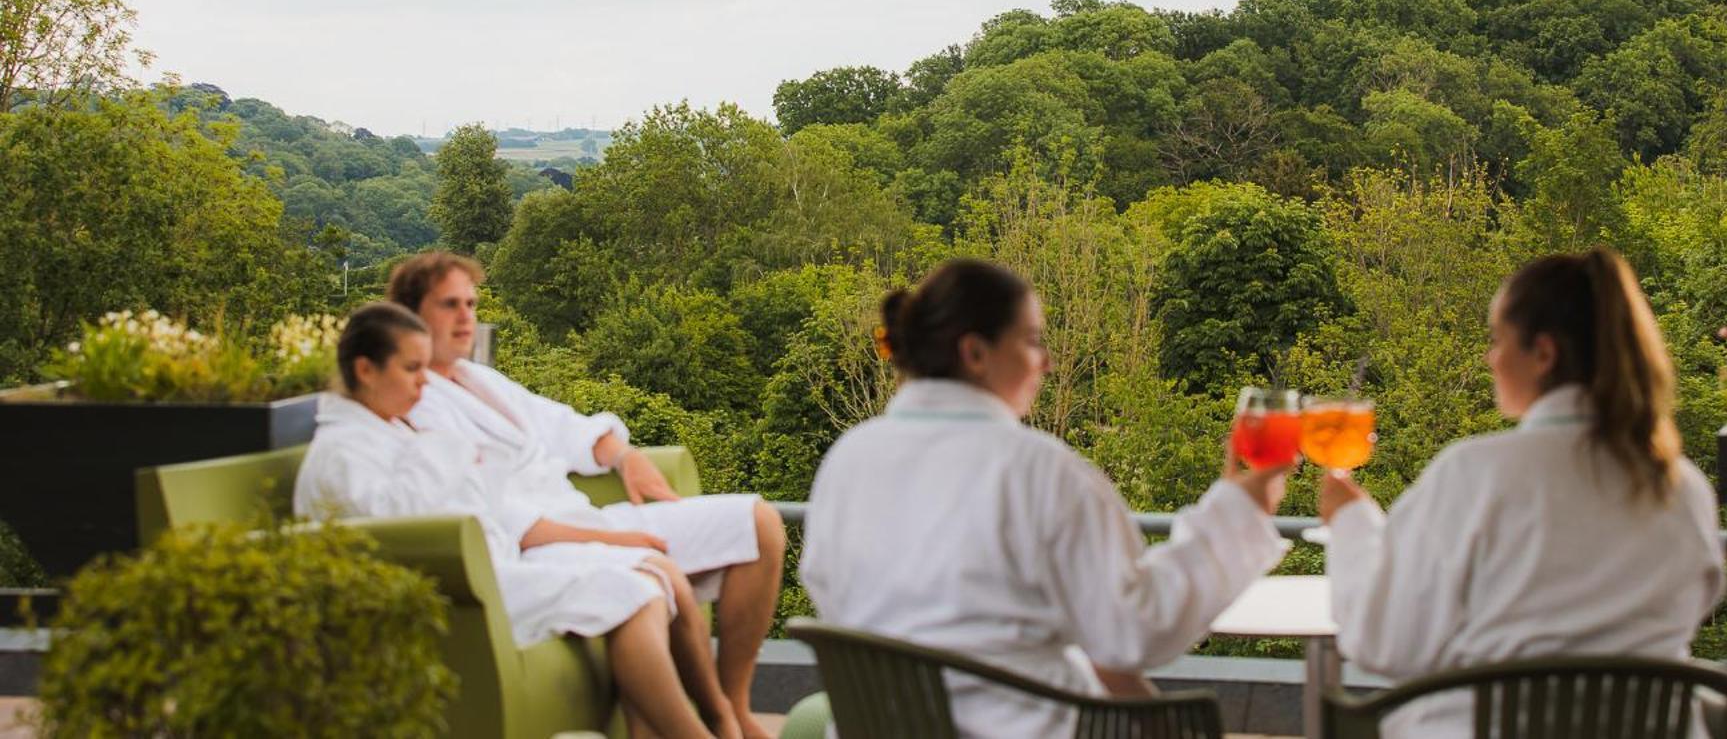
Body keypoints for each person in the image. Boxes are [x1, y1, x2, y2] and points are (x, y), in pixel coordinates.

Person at [799, 257, 1291, 739]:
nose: (1048, 363)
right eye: (1034, 341)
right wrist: (1241, 511)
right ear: (975, 353)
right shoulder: (1039, 471)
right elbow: (1134, 631)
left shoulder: (849, 457)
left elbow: (831, 592)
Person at [1317, 248, 1726, 738]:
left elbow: (1385, 642)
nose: (1490, 358)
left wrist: (1352, 522)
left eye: (1497, 340)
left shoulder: (1476, 475)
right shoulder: (1682, 489)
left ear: (1543, 353)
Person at [386, 252, 786, 739]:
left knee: (758, 523)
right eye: (450, 304)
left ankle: (736, 709)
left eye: (471, 303)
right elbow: (497, 517)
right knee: (654, 575)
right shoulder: (412, 400)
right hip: (546, 543)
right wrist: (622, 543)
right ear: (409, 314)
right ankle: (711, 722)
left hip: (589, 517)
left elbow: (565, 426)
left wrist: (624, 457)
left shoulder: (478, 380)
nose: (467, 316)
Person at [295, 302, 733, 739]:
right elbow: (399, 521)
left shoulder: (391, 429)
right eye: (412, 369)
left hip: (495, 561)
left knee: (647, 581)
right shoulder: (343, 449)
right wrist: (444, 448)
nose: (423, 385)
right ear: (366, 370)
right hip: (458, 584)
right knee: (633, 593)